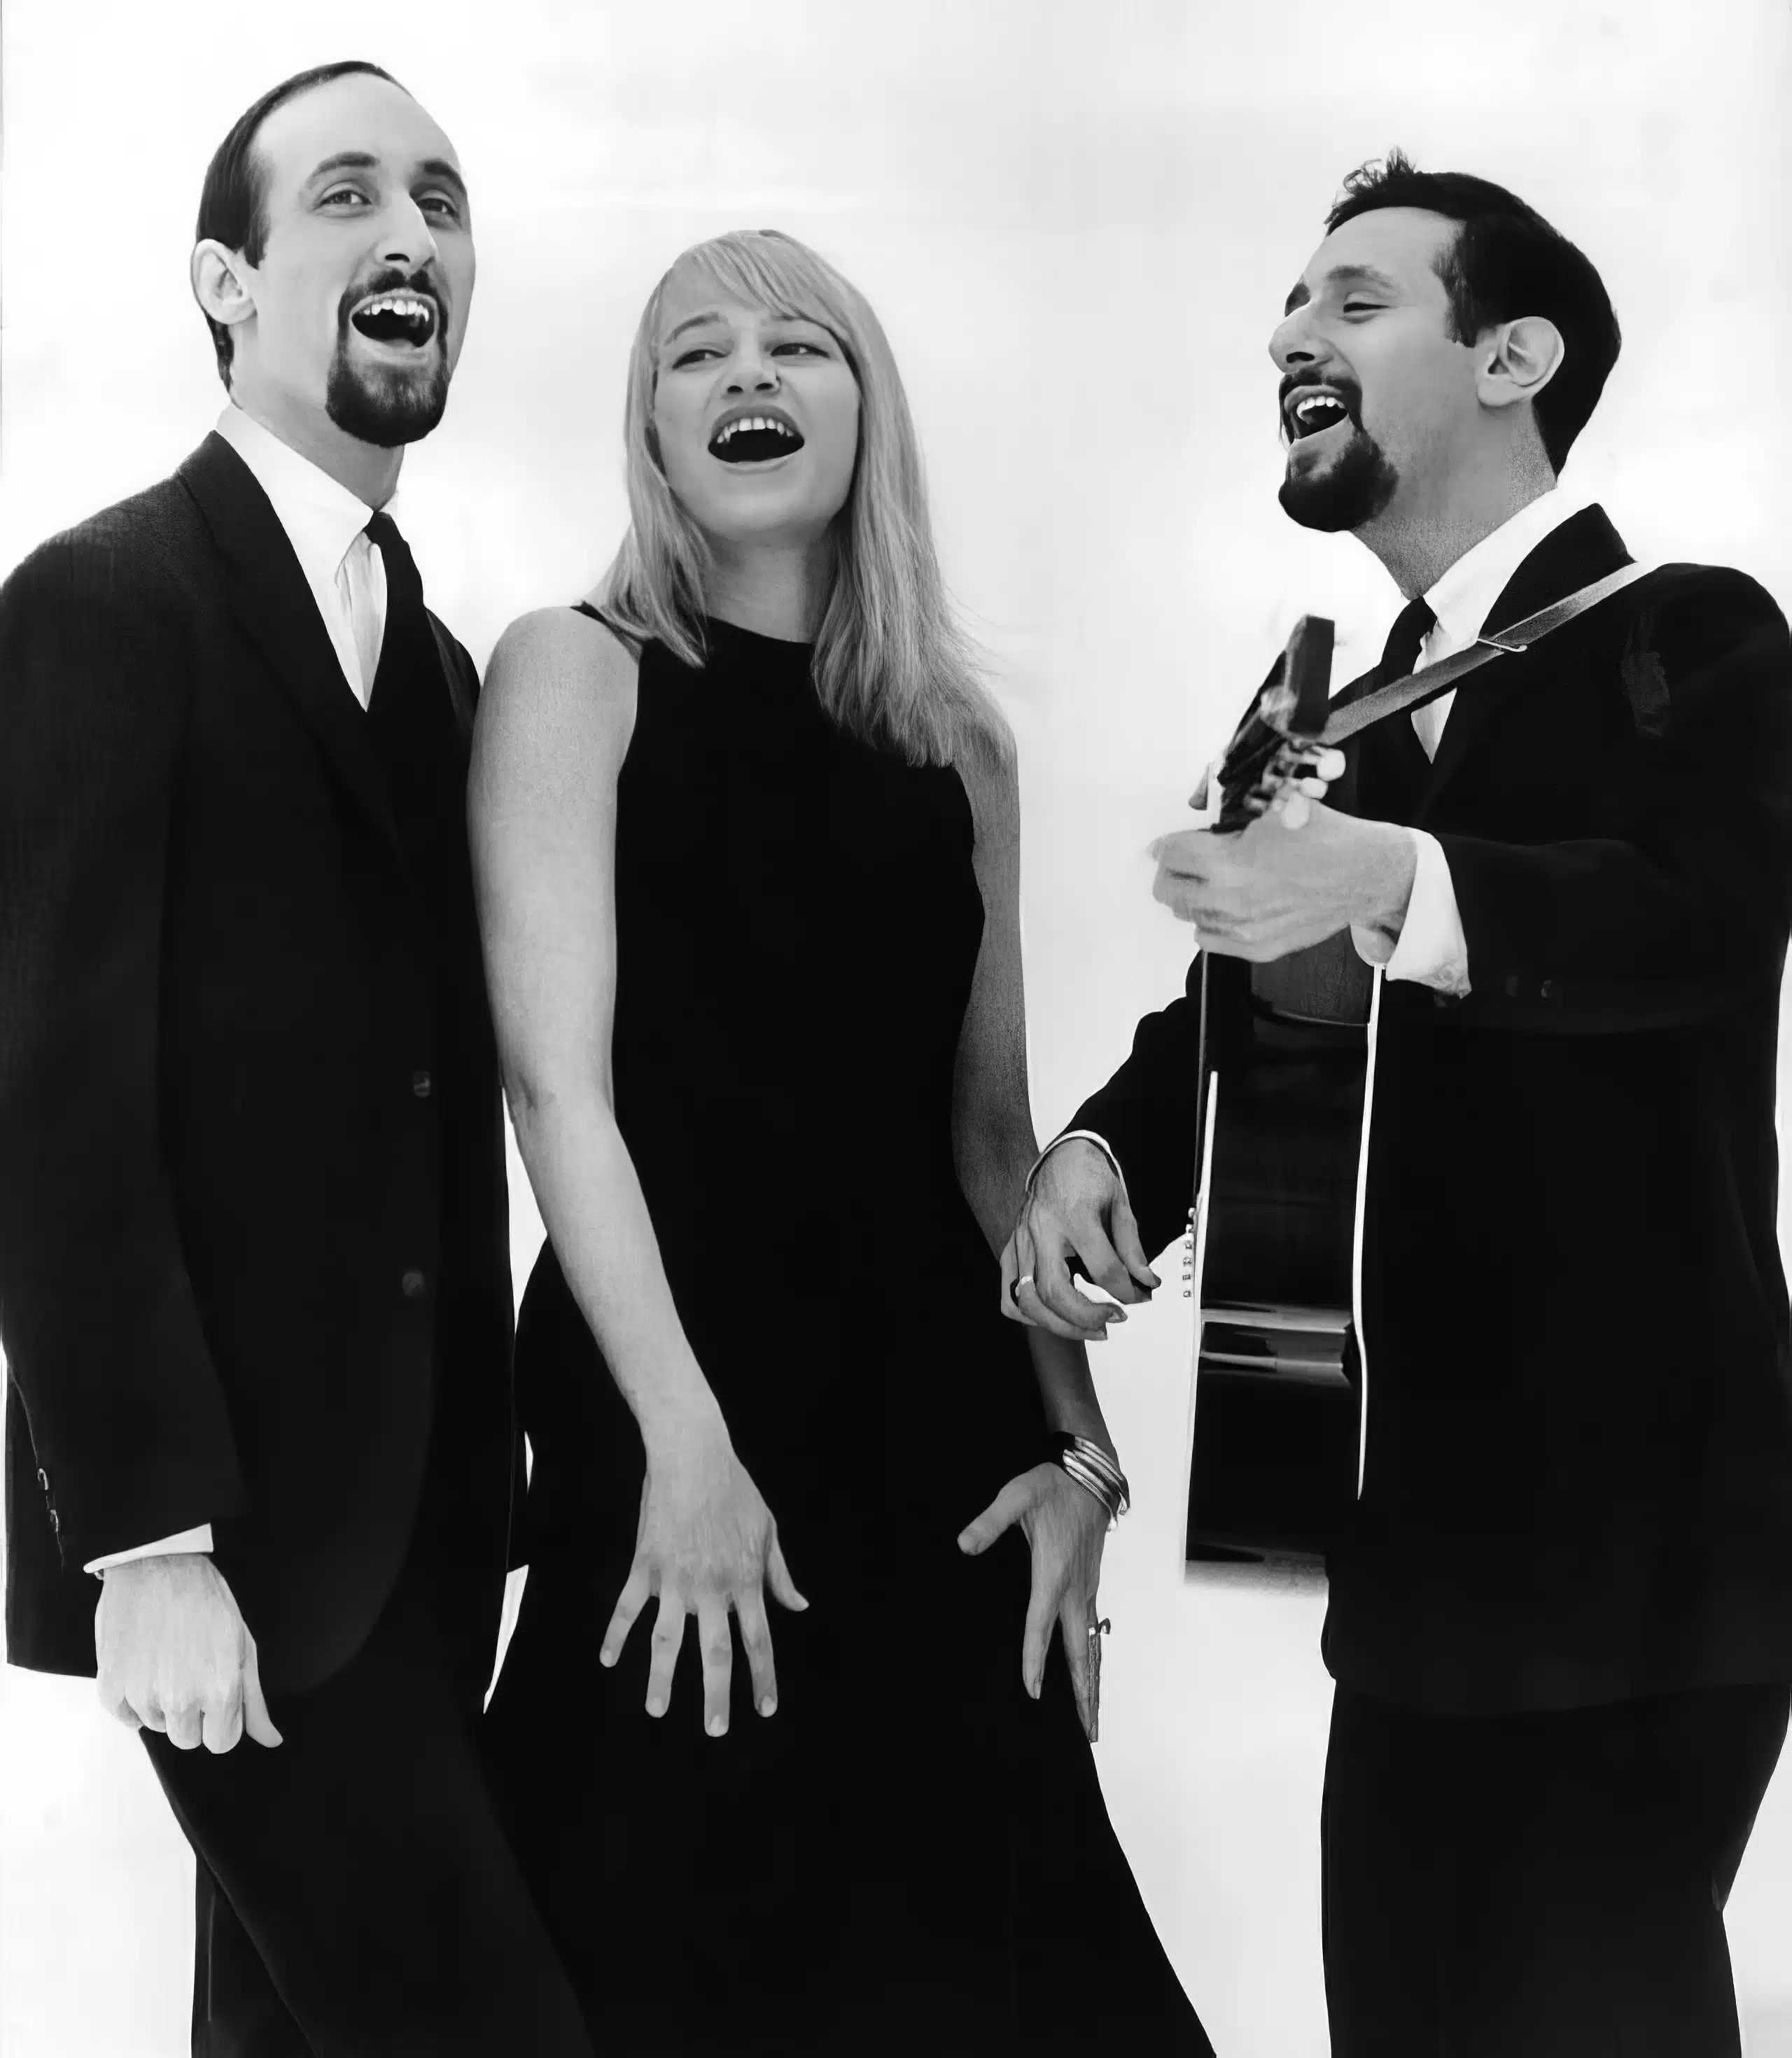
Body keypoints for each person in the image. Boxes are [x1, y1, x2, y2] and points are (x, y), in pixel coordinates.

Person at [1006, 153, 1792, 2056]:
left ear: (1514, 353)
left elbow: (1691, 919)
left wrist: (1386, 885)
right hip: (1413, 1555)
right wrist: (1110, 1143)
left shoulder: (1694, 636)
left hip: (1641, 1552)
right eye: (1287, 304)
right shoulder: (1321, 717)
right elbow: (1243, 1014)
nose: (1292, 332)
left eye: (1355, 300)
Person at [470, 228, 1211, 2055]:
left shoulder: (955, 738)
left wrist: (1080, 1460)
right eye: (694, 352)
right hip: (672, 1427)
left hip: (938, 1446)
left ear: (867, 407)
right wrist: (688, 1448)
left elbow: (988, 1140)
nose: (748, 378)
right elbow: (556, 1093)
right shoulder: (575, 671)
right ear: (644, 426)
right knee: (657, 1959)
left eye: (800, 346)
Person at [0, 62, 592, 2057]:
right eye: (347, 197)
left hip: (426, 1560)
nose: (412, 233)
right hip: (229, 1558)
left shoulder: (440, 672)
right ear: (226, 284)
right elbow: (47, 1104)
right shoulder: (98, 607)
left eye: (440, 199)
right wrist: (142, 1540)